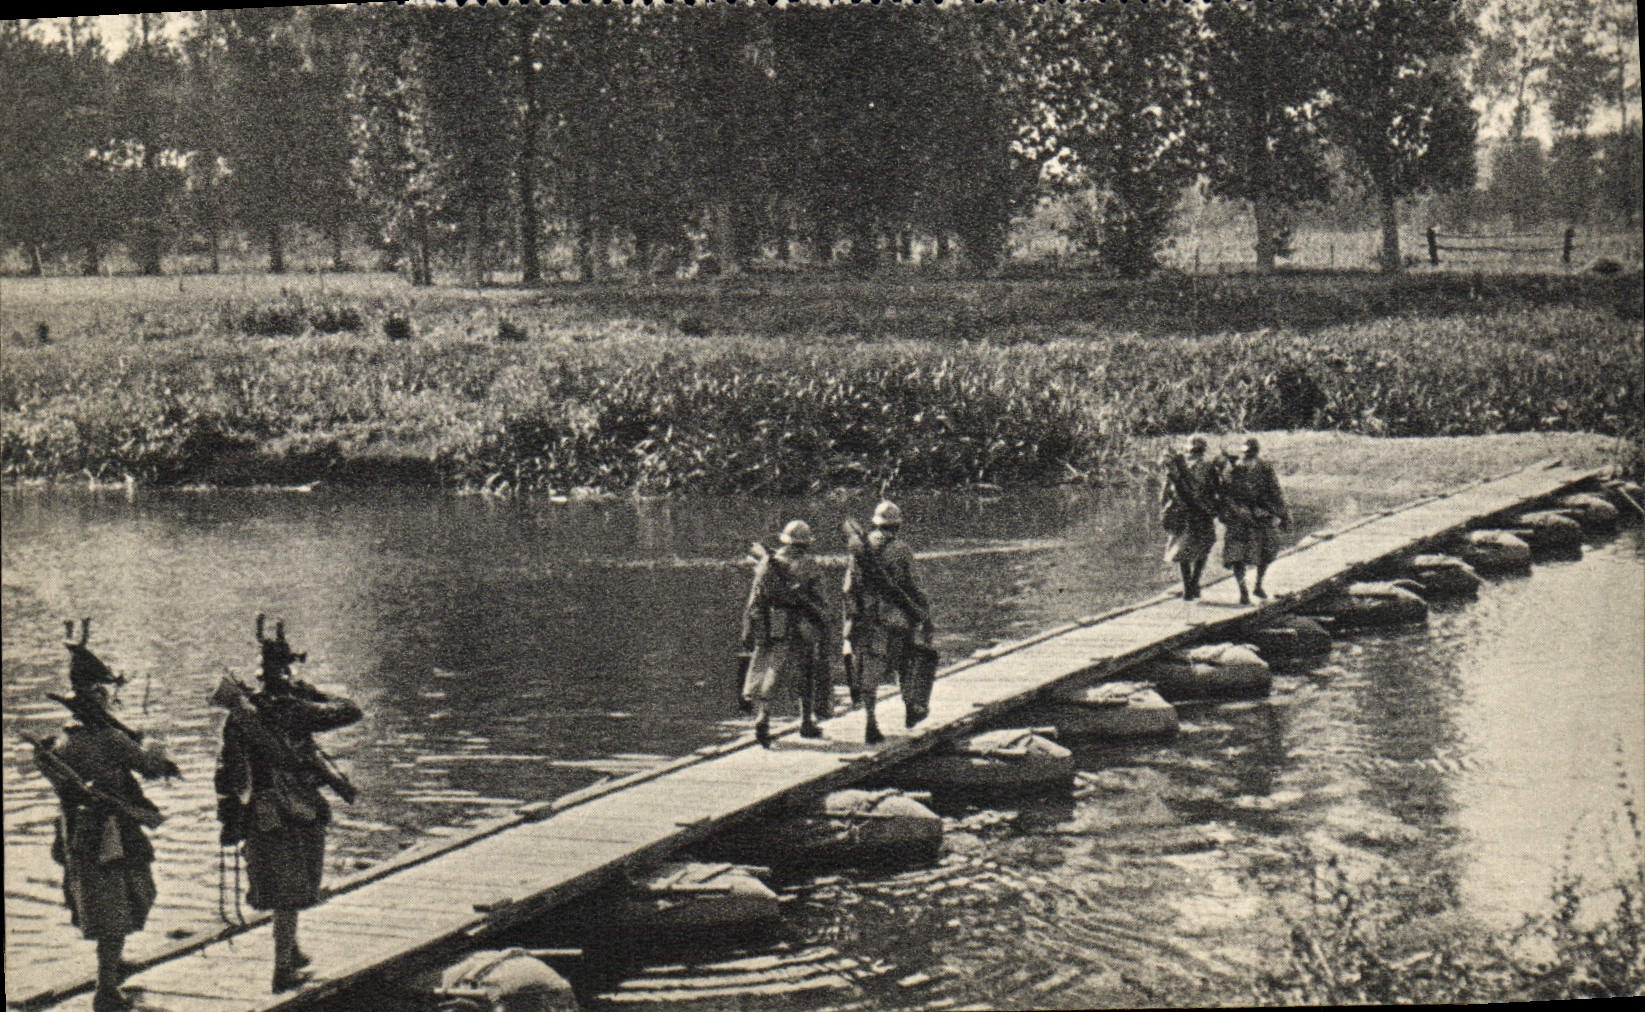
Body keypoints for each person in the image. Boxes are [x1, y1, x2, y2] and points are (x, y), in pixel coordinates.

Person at [31, 620, 177, 1012]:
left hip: (76, 833)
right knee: (126, 898)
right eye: (105, 696)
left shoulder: (63, 740)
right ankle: (107, 990)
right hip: (112, 832)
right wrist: (151, 739)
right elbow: (148, 765)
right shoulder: (110, 739)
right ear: (96, 699)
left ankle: (110, 968)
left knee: (104, 901)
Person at [213, 615, 362, 993]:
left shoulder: (240, 716)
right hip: (293, 809)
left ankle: (291, 953)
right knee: (291, 889)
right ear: (288, 671)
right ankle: (283, 970)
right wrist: (313, 692)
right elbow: (350, 710)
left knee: (281, 884)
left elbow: (225, 769)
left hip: (257, 811)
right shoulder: (294, 708)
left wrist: (231, 814)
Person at [842, 500, 933, 744]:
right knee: (906, 663)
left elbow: (848, 588)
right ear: (897, 525)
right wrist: (924, 615)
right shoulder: (901, 549)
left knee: (868, 671)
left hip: (865, 619)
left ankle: (871, 721)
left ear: (875, 523)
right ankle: (911, 709)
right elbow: (915, 586)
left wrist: (850, 619)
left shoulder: (858, 549)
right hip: (896, 617)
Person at [740, 520, 830, 747]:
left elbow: (755, 601)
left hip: (771, 625)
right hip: (800, 625)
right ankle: (806, 721)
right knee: (805, 673)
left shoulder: (767, 565)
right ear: (805, 544)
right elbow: (821, 601)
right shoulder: (809, 565)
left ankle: (764, 716)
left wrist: (749, 629)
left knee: (769, 670)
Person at [1219, 437, 1290, 605]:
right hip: (1240, 517)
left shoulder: (1264, 467)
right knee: (1237, 555)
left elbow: (1275, 491)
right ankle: (1244, 591)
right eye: (1246, 453)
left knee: (1266, 550)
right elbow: (1224, 494)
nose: (1247, 456)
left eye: (1250, 453)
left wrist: (1282, 513)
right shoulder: (1231, 468)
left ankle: (1257, 585)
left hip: (1259, 514)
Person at [1160, 435, 1221, 600]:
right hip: (1189, 512)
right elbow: (1168, 486)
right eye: (1192, 450)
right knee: (1188, 549)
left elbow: (1215, 489)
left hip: (1197, 512)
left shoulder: (1206, 468)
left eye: (1196, 450)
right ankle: (1190, 585)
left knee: (1196, 548)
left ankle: (1192, 583)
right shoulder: (1183, 467)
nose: (1193, 453)